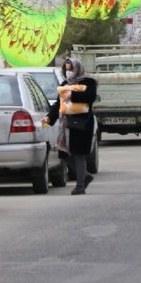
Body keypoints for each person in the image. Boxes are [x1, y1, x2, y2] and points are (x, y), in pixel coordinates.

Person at [46, 57, 98, 195]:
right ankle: (85, 175)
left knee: (79, 154)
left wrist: (71, 95)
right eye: (66, 67)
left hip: (83, 123)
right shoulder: (65, 83)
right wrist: (49, 118)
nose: (67, 70)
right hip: (66, 124)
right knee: (64, 154)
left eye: (70, 67)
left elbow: (90, 96)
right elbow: (58, 104)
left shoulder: (89, 81)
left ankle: (80, 185)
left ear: (77, 68)